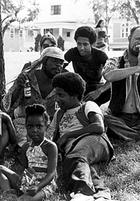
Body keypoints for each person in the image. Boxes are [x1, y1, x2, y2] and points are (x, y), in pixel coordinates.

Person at [48, 72, 114, 201]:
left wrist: (68, 135)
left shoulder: (87, 106)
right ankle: (101, 195)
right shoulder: (59, 113)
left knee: (76, 158)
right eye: (56, 94)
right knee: (85, 167)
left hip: (94, 141)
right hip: (75, 151)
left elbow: (98, 127)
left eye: (61, 95)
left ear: (74, 95)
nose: (57, 99)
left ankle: (82, 193)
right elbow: (49, 134)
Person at [0, 104, 58, 201]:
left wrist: (38, 187)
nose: (34, 130)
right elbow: (25, 168)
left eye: (39, 126)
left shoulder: (50, 147)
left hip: (44, 185)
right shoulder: (25, 147)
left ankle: (21, 196)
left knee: (23, 199)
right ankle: (9, 194)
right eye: (30, 126)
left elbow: (51, 174)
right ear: (26, 127)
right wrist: (22, 180)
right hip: (29, 182)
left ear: (46, 125)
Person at [3, 47, 65, 147]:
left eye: (61, 63)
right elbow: (8, 105)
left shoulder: (61, 83)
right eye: (54, 61)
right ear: (44, 62)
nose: (58, 66)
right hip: (24, 123)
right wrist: (18, 87)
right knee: (24, 143)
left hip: (48, 126)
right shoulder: (27, 78)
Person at [64, 26, 111, 106]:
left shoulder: (100, 56)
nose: (81, 48)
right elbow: (59, 68)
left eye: (85, 44)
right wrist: (70, 77)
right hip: (79, 86)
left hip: (96, 87)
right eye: (79, 44)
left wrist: (98, 92)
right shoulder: (72, 53)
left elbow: (113, 77)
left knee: (109, 90)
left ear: (92, 44)